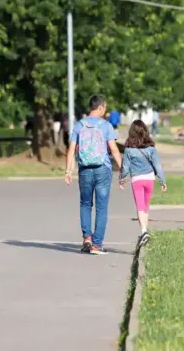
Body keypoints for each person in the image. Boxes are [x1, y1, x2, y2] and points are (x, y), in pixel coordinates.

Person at [64, 95, 122, 255]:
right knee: (101, 207)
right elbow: (114, 149)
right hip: (103, 169)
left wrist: (68, 171)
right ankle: (97, 244)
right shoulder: (106, 126)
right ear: (101, 107)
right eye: (105, 107)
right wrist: (123, 169)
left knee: (85, 204)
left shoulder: (78, 125)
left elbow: (71, 150)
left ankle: (87, 239)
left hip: (84, 169)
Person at [118, 120, 166, 247]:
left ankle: (144, 231)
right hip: (150, 179)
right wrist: (162, 181)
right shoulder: (151, 149)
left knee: (139, 206)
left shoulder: (128, 150)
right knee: (145, 205)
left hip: (137, 180)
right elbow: (157, 166)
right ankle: (145, 232)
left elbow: (126, 167)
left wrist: (122, 179)